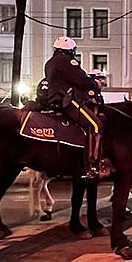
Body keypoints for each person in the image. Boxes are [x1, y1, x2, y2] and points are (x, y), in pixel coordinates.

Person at [44, 35, 105, 179]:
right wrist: (92, 84)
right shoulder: (67, 62)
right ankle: (92, 164)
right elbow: (81, 79)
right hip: (67, 101)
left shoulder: (50, 62)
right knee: (96, 125)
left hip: (53, 99)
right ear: (70, 50)